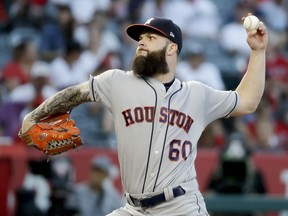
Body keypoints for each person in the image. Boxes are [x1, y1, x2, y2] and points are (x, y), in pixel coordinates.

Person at [20, 15, 268, 215]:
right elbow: (75, 94)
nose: (141, 42)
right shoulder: (116, 81)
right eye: (140, 38)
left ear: (172, 48)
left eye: (151, 37)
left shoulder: (196, 94)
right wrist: (34, 116)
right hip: (134, 208)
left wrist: (258, 52)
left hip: (181, 206)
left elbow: (247, 101)